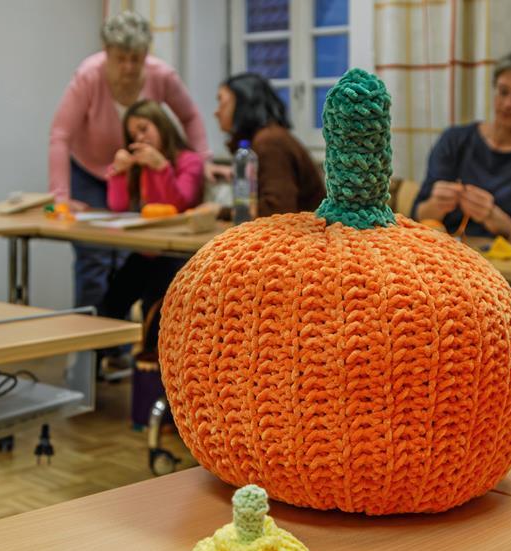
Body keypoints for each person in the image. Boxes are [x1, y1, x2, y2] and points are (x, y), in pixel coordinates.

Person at [48, 10, 210, 310]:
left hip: (136, 174)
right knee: (92, 255)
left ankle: (120, 350)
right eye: (121, 58)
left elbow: (189, 115)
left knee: (127, 253)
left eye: (136, 58)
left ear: (146, 54)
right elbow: (60, 135)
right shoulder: (88, 76)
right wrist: (60, 197)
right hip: (88, 169)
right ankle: (92, 349)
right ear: (106, 53)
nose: (129, 67)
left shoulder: (162, 75)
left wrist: (205, 160)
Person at [413, 48, 511, 238]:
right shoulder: (454, 140)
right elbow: (417, 215)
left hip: (509, 262)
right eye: (502, 92)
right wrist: (436, 204)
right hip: (443, 255)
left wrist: (495, 218)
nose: (508, 103)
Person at [99, 100, 203, 343]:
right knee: (112, 300)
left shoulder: (189, 161)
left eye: (144, 129)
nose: (140, 137)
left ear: (161, 125)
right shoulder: (140, 166)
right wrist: (118, 173)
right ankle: (102, 362)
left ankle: (150, 367)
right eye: (133, 133)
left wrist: (161, 168)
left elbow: (177, 205)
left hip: (178, 253)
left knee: (154, 305)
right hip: (148, 252)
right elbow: (118, 206)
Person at [214, 72, 325, 217]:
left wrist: (220, 212)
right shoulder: (264, 138)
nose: (216, 112)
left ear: (243, 102)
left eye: (221, 102)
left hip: (305, 235)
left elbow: (277, 211)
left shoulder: (270, 142)